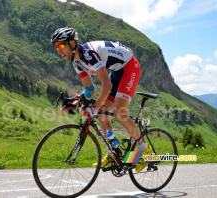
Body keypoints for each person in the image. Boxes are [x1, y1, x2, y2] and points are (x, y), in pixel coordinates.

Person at [51, 27, 151, 172]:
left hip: (130, 67)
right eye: (56, 48)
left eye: (60, 45)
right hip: (117, 71)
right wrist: (77, 102)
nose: (59, 51)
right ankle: (112, 153)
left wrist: (94, 107)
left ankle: (144, 149)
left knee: (119, 113)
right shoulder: (76, 62)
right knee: (103, 113)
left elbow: (107, 84)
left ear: (72, 43)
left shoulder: (88, 54)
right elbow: (90, 89)